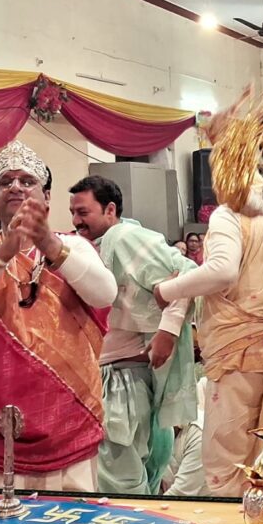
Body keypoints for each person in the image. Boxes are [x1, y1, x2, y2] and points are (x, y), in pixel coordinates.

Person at [0, 141, 117, 491]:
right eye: (5, 182)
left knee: (69, 516)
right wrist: (2, 254)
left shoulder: (73, 247)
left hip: (67, 421)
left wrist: (49, 245)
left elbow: (104, 293)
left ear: (46, 197)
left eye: (27, 181)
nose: (16, 187)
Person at [152, 172, 263, 496]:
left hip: (236, 354)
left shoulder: (229, 214)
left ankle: (236, 520)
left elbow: (223, 271)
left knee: (226, 463)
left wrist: (166, 291)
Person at [68, 175, 198, 494]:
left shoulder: (125, 237)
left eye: (83, 212)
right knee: (131, 479)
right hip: (120, 378)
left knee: (119, 484)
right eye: (72, 212)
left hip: (123, 381)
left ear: (110, 210)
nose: (76, 221)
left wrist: (168, 330)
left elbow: (188, 273)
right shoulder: (98, 245)